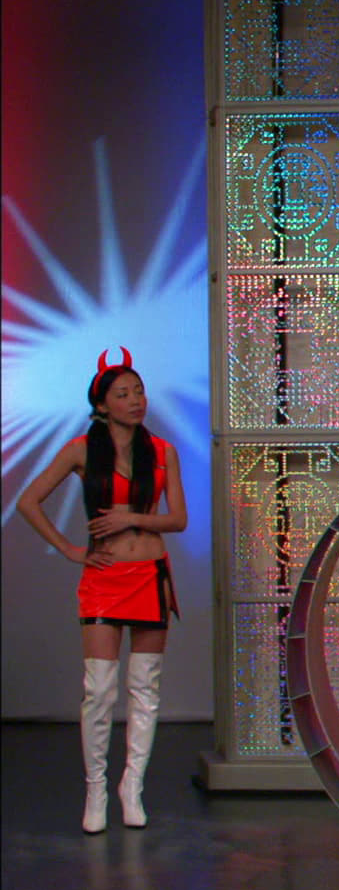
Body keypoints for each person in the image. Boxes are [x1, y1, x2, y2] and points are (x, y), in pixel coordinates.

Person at [18, 350, 187, 833]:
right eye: (123, 394)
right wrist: (70, 549)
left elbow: (179, 519)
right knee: (99, 689)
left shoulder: (163, 452)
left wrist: (132, 517)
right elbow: (29, 501)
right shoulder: (80, 450)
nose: (136, 400)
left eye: (139, 391)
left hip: (149, 575)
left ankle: (132, 788)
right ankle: (96, 789)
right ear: (101, 404)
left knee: (145, 688)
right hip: (104, 579)